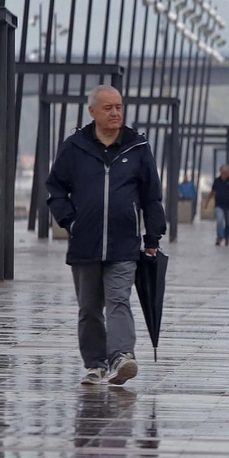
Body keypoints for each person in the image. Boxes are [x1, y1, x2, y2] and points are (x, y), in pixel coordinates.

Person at [45, 84, 165, 387]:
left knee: (118, 300)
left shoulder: (137, 147)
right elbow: (56, 187)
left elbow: (152, 196)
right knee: (88, 308)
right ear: (93, 112)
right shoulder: (75, 146)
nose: (116, 113)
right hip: (85, 243)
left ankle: (122, 356)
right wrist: (69, 221)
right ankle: (95, 364)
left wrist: (153, 238)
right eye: (109, 108)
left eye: (119, 107)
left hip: (124, 243)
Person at [203, 165, 229, 246]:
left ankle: (227, 238)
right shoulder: (217, 181)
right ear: (220, 172)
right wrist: (207, 201)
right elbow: (213, 191)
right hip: (219, 204)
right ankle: (219, 237)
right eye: (223, 172)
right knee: (219, 220)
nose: (225, 174)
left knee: (228, 222)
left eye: (226, 172)